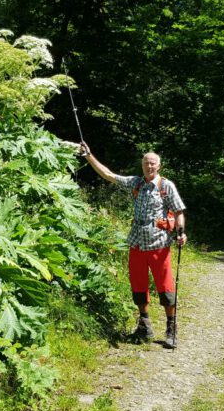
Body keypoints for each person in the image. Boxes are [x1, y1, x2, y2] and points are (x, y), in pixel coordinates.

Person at [80, 141, 187, 348]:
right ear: (142, 165)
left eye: (153, 163)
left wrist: (181, 233)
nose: (149, 166)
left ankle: (171, 329)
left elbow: (179, 211)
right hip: (137, 244)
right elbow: (109, 175)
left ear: (159, 166)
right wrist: (88, 155)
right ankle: (144, 326)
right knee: (138, 286)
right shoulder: (136, 183)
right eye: (146, 163)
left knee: (165, 287)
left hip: (159, 245)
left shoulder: (166, 186)